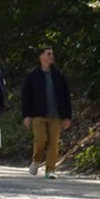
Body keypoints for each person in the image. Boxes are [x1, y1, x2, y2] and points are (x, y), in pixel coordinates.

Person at [20, 47, 73, 178]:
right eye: (48, 54)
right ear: (41, 57)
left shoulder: (59, 76)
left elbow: (66, 96)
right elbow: (25, 96)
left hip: (56, 115)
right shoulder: (32, 76)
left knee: (54, 143)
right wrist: (26, 115)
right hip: (38, 115)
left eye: (52, 54)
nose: (51, 56)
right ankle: (36, 160)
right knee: (41, 140)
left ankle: (50, 170)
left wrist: (67, 116)